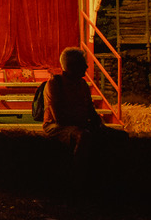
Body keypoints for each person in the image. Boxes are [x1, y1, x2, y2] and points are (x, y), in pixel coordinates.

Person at [43, 47, 128, 187]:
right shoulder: (55, 83)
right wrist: (84, 124)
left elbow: (90, 110)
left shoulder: (82, 85)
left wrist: (100, 126)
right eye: (83, 63)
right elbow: (59, 118)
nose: (87, 67)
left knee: (121, 136)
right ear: (73, 66)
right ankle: (77, 180)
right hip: (56, 126)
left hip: (79, 124)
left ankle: (114, 178)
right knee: (83, 136)